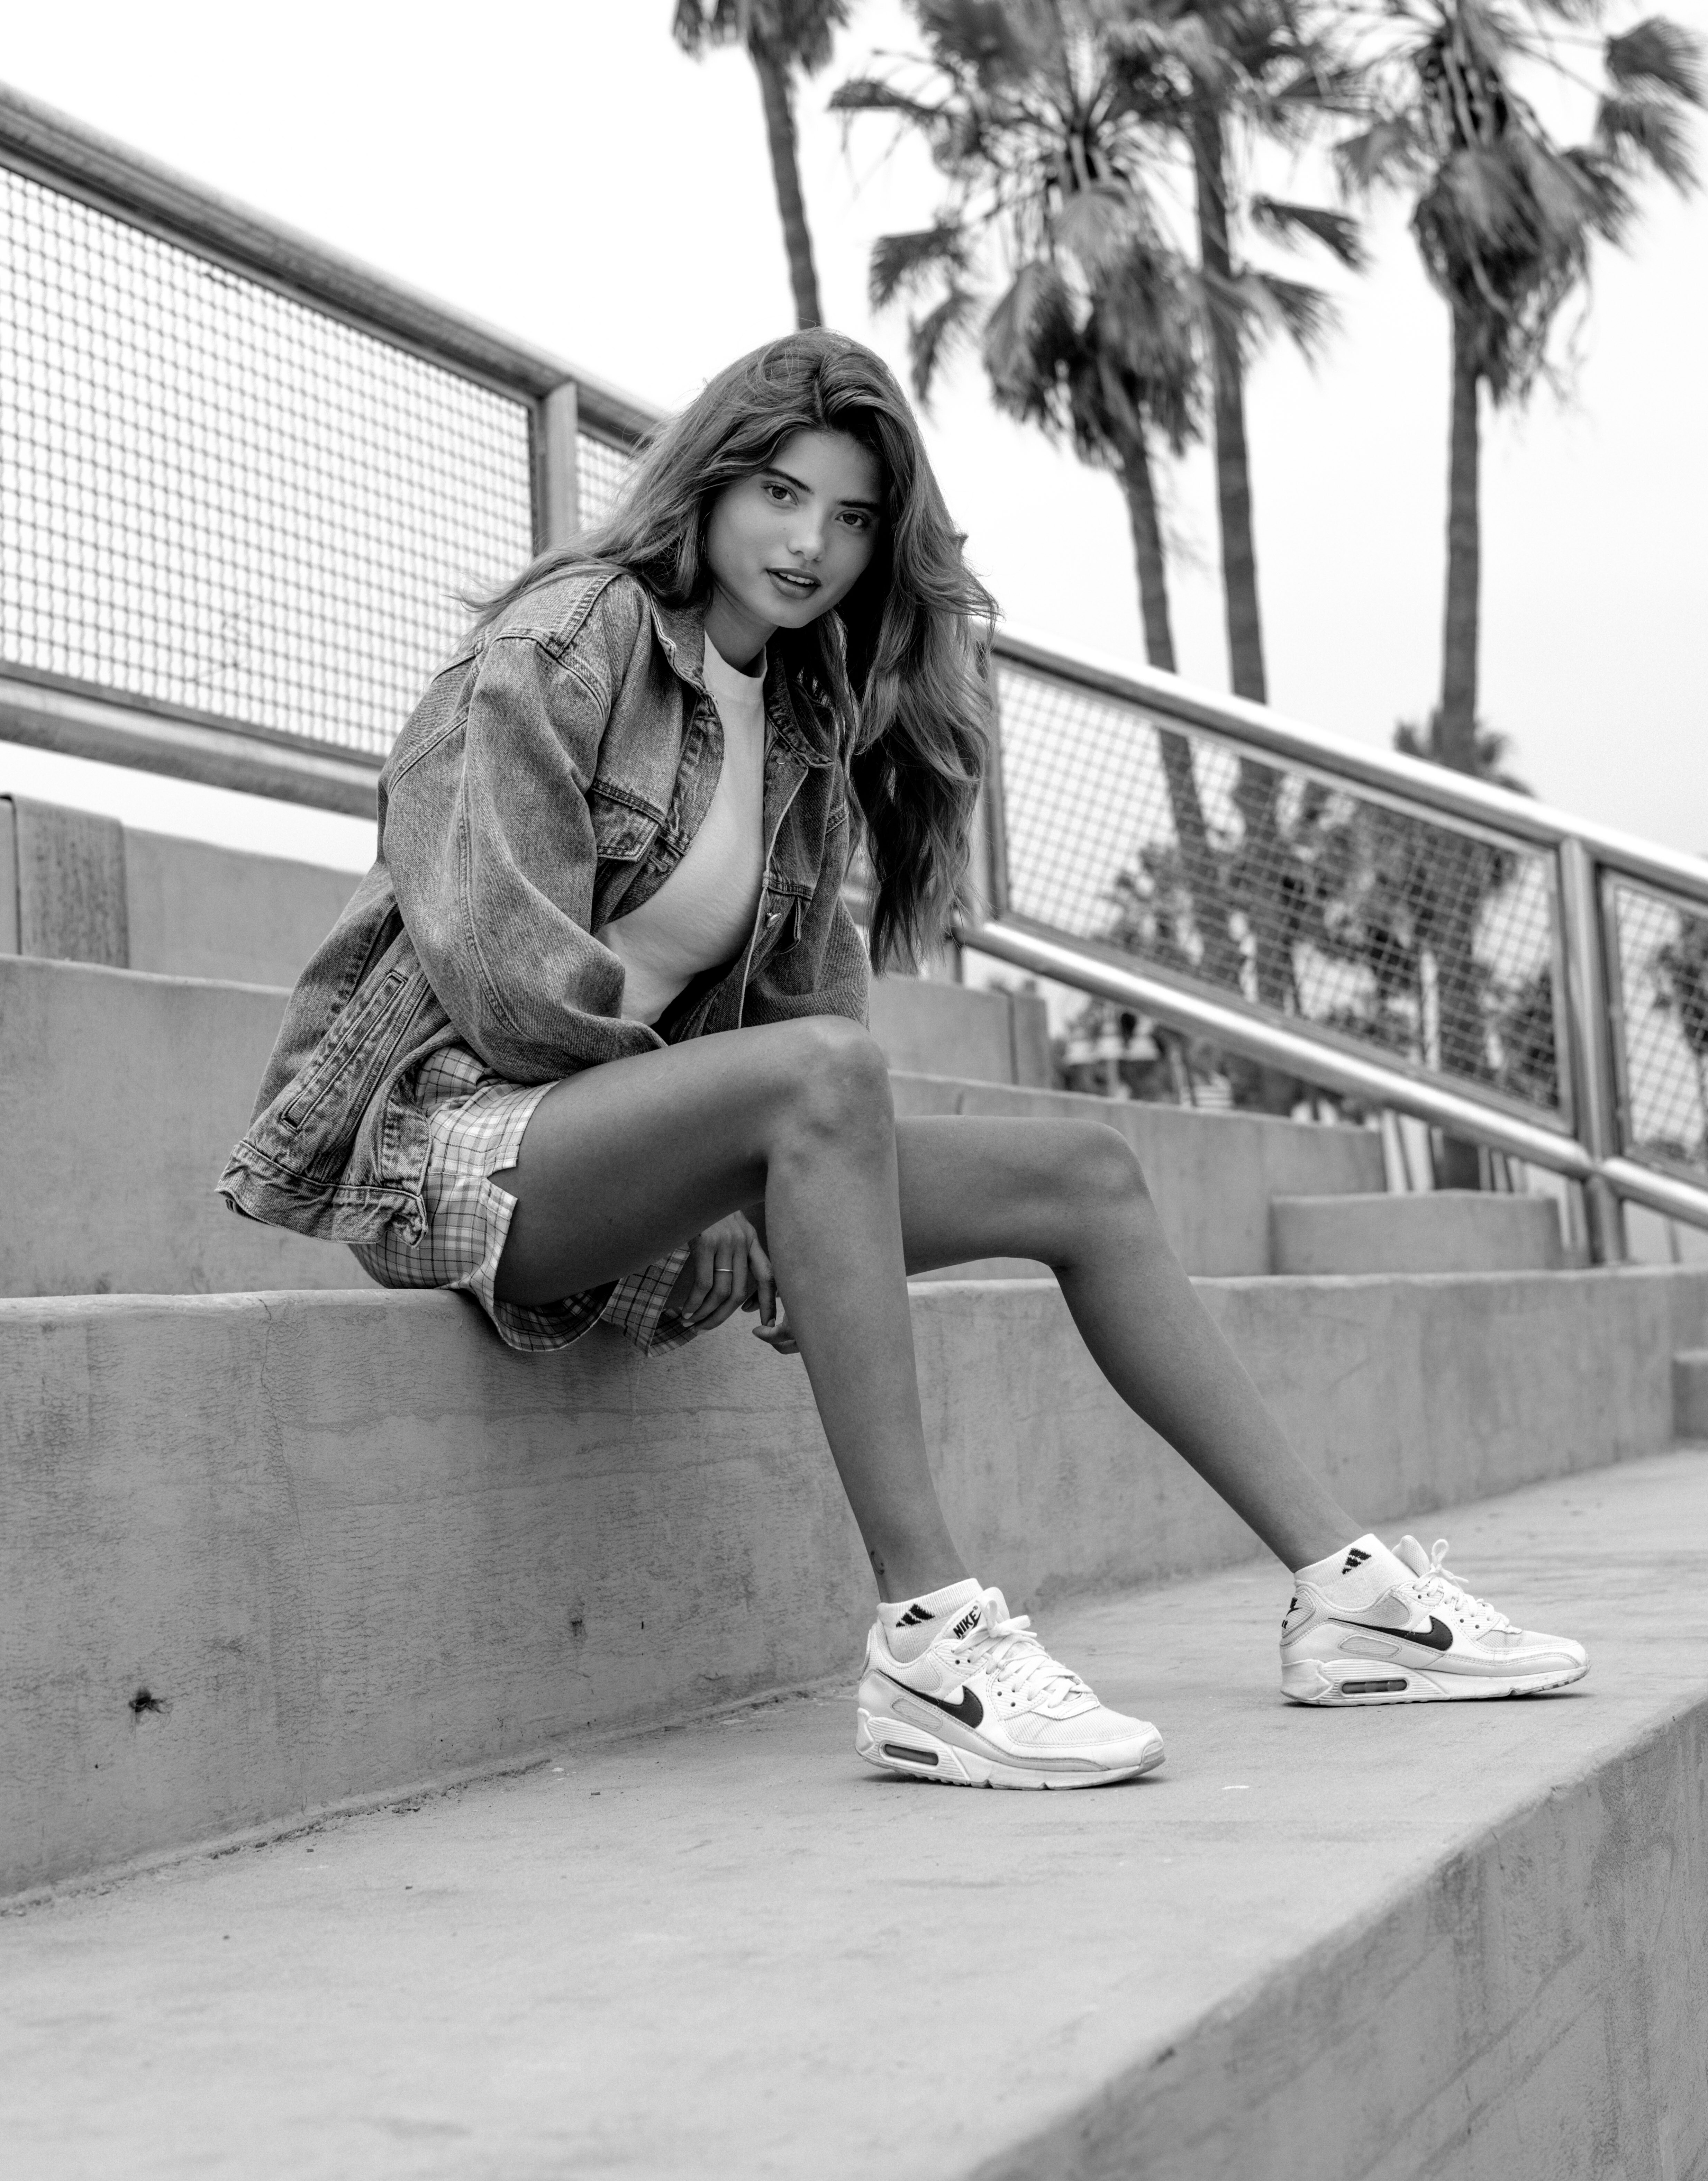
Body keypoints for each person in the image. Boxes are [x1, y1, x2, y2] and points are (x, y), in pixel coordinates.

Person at [219, 330, 1586, 1791]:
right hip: (450, 1147)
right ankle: (929, 1642)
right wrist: (718, 1169)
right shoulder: (569, 639)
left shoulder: (802, 717)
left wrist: (770, 1189)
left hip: (629, 1156)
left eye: (854, 516)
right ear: (710, 484)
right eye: (780, 494)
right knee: (821, 1080)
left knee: (1084, 1175)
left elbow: (805, 1015)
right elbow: (503, 974)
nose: (810, 544)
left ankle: (1348, 1596)